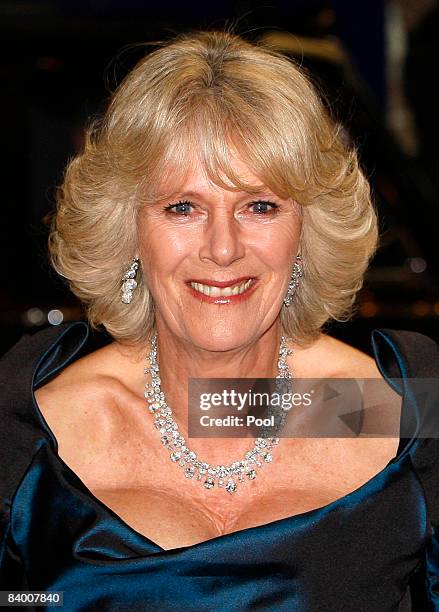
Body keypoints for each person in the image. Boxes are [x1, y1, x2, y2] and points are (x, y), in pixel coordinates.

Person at [0, 30, 438, 611]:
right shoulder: (30, 428)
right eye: (182, 207)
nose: (223, 248)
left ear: (306, 231)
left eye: (260, 206)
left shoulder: (403, 409)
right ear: (129, 230)